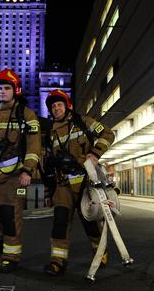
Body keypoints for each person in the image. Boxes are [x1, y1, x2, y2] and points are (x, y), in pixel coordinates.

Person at [0, 69, 41, 273]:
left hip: (13, 175)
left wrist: (28, 171)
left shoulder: (26, 114)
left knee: (10, 216)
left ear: (15, 90)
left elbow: (34, 146)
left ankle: (11, 256)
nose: (2, 92)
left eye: (7, 88)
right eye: (0, 88)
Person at [42, 89, 115, 276]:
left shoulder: (83, 122)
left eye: (59, 105)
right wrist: (49, 193)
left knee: (90, 222)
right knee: (60, 222)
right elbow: (47, 166)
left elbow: (108, 134)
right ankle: (57, 261)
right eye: (53, 106)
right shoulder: (49, 133)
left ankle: (100, 251)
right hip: (62, 186)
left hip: (85, 183)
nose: (56, 108)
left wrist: (96, 153)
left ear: (67, 106)